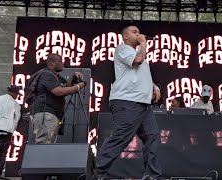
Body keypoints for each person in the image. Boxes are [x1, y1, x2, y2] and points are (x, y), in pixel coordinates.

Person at [95, 25, 162, 180]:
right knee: (121, 137)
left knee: (152, 136)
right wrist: (144, 43)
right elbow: (137, 61)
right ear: (125, 36)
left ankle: (152, 175)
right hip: (127, 101)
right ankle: (99, 172)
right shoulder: (122, 49)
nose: (138, 34)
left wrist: (154, 86)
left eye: (139, 32)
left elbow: (140, 74)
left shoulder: (140, 53)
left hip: (143, 103)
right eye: (134, 32)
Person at [29, 53, 86, 144]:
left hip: (51, 114)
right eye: (61, 61)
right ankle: (40, 158)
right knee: (44, 144)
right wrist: (78, 87)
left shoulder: (55, 76)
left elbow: (66, 86)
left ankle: (46, 158)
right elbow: (59, 91)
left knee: (49, 144)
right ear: (52, 62)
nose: (63, 63)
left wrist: (73, 77)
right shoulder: (46, 75)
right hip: (46, 113)